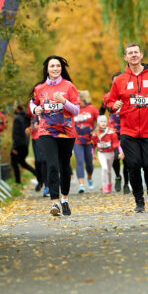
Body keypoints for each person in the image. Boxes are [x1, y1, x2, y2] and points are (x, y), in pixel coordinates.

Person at [106, 43, 148, 213]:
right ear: (125, 58)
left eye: (136, 52)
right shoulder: (120, 80)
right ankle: (139, 199)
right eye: (129, 53)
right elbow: (109, 101)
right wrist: (114, 105)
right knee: (133, 165)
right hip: (128, 130)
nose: (133, 55)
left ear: (141, 55)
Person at [29, 55, 81, 216]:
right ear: (47, 68)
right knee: (52, 164)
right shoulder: (40, 88)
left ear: (61, 68)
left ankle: (64, 199)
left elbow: (77, 110)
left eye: (58, 66)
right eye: (52, 66)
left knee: (64, 166)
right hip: (45, 131)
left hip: (66, 132)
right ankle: (55, 203)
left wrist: (64, 102)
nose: (55, 69)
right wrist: (34, 110)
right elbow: (33, 103)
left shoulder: (69, 86)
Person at [102, 72, 131, 194]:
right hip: (112, 132)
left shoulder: (129, 94)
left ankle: (126, 183)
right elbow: (101, 111)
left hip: (126, 129)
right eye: (114, 81)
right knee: (114, 158)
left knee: (126, 160)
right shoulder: (107, 96)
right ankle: (118, 176)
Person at [74, 90, 99, 193]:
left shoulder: (92, 109)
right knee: (79, 161)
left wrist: (95, 131)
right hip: (77, 140)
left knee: (89, 164)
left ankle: (89, 177)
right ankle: (81, 185)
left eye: (79, 99)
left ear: (84, 99)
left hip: (89, 140)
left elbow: (99, 121)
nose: (78, 101)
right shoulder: (74, 110)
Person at [92, 115, 122, 193]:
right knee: (104, 168)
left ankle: (109, 184)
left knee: (108, 171)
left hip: (110, 153)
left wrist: (121, 152)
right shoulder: (95, 133)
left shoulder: (111, 132)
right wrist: (93, 154)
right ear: (98, 123)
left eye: (105, 121)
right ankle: (104, 185)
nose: (103, 123)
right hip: (101, 153)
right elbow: (93, 145)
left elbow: (117, 144)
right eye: (101, 121)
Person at [10, 105, 36, 183]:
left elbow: (16, 133)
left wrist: (14, 147)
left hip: (18, 144)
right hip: (25, 144)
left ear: (17, 109)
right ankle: (38, 175)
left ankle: (17, 181)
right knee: (22, 163)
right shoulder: (26, 118)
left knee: (14, 163)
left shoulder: (17, 118)